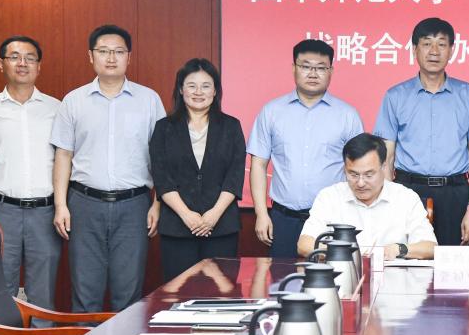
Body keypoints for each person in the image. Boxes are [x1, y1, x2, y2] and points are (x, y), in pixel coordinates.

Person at [50, 24, 165, 312]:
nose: (111, 58)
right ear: (91, 56)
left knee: (129, 293)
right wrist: (61, 205)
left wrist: (158, 203)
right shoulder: (73, 101)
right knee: (84, 292)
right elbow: (63, 155)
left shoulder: (149, 100)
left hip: (134, 205)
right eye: (103, 51)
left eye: (118, 51)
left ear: (129, 57)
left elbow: (162, 157)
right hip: (84, 204)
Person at [0, 35, 62, 311]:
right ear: (1, 64)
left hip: (45, 212)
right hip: (0, 210)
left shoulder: (57, 109)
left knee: (43, 289)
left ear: (39, 66)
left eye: (30, 58)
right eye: (15, 57)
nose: (22, 63)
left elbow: (66, 159)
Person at [374, 17, 469, 246]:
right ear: (414, 50)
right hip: (408, 191)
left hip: (454, 193)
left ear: (451, 50)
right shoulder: (395, 96)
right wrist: (392, 203)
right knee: (407, 260)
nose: (434, 51)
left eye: (442, 44)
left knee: (452, 262)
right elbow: (387, 158)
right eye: (427, 44)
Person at [247, 39, 363, 258]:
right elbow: (258, 165)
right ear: (294, 68)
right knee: (282, 277)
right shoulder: (271, 112)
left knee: (334, 277)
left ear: (331, 71)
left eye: (321, 68)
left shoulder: (347, 115)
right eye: (306, 66)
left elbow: (359, 169)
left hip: (332, 219)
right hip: (284, 219)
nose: (313, 73)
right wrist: (261, 214)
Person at [150, 58, 247, 281]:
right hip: (177, 227)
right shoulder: (164, 128)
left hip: (221, 226)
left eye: (206, 86)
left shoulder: (231, 126)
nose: (198, 92)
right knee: (178, 292)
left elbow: (235, 175)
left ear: (215, 91)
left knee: (220, 293)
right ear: (181, 89)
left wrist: (213, 215)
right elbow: (162, 177)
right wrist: (187, 215)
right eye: (192, 85)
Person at [297, 133, 437, 260]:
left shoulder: (406, 198)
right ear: (345, 169)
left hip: (394, 278)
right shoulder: (329, 197)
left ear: (384, 167)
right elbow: (304, 245)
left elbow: (430, 247)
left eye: (369, 175)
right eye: (353, 174)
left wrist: (398, 249)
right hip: (342, 277)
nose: (361, 183)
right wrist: (341, 252)